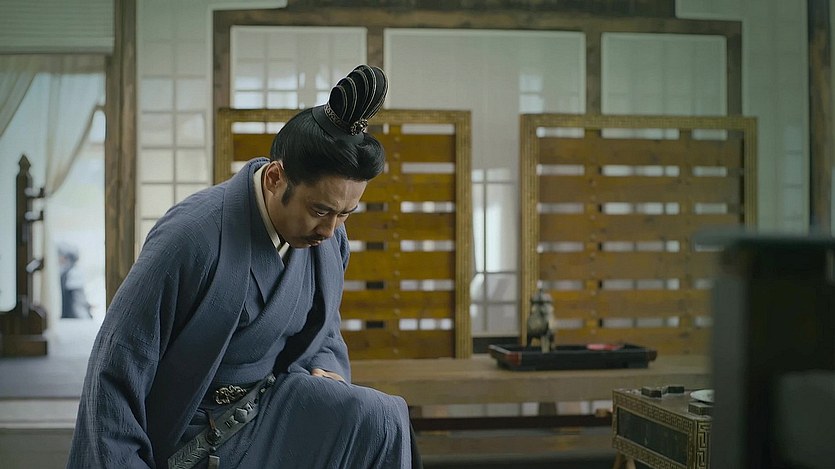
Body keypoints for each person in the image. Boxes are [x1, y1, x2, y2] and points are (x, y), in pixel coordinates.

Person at [68, 65, 421, 468]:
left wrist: (324, 367)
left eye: (345, 214)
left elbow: (324, 331)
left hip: (271, 403)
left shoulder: (328, 240)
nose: (329, 230)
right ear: (275, 178)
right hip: (192, 427)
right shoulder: (192, 236)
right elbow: (119, 361)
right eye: (320, 210)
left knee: (382, 418)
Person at [58, 242, 92, 319]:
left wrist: (83, 320)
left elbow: (78, 302)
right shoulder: (63, 272)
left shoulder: (74, 273)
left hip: (75, 319)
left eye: (62, 257)